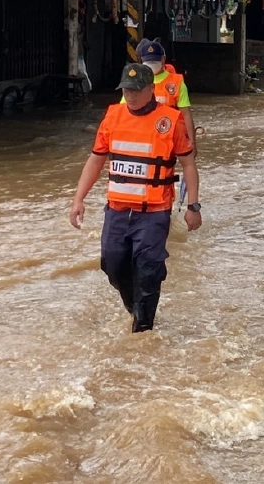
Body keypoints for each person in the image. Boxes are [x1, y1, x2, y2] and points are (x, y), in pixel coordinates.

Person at [71, 63, 202, 333]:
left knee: (148, 269)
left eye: (136, 90)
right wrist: (78, 199)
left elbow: (188, 164)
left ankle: (143, 327)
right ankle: (134, 306)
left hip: (153, 212)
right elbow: (96, 160)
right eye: (126, 90)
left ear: (150, 89)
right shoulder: (113, 117)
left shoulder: (170, 120)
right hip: (118, 211)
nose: (130, 95)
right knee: (112, 264)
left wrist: (193, 206)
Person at [123, 38, 196, 146]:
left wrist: (191, 141)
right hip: (143, 134)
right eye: (148, 62)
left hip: (168, 134)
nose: (151, 65)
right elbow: (123, 111)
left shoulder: (176, 82)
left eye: (154, 61)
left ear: (163, 59)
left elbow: (186, 114)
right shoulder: (135, 81)